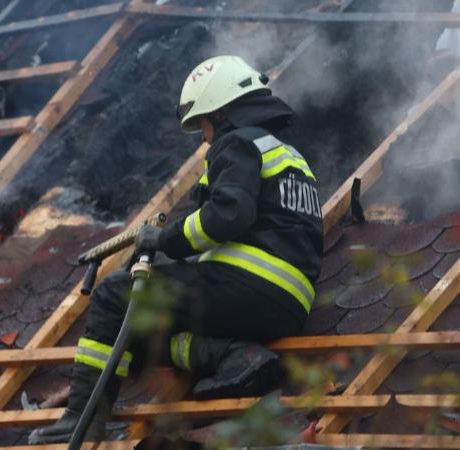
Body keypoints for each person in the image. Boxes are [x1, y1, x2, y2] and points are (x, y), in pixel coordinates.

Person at [28, 55, 323, 445]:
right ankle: (234, 357)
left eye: (202, 123)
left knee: (115, 296)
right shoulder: (291, 158)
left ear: (219, 113)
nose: (203, 136)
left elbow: (227, 216)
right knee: (138, 333)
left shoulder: (236, 142)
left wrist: (161, 240)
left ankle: (83, 416)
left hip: (247, 286)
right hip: (286, 307)